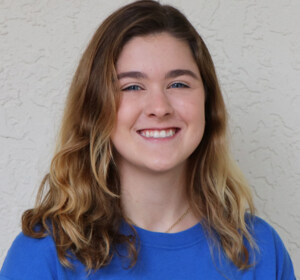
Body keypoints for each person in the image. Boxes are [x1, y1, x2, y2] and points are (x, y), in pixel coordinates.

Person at [0, 1, 296, 279]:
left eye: (178, 83)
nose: (159, 107)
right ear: (95, 107)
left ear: (207, 103)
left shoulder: (260, 250)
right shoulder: (47, 253)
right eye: (132, 86)